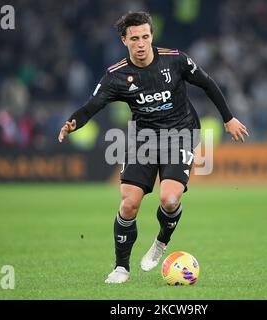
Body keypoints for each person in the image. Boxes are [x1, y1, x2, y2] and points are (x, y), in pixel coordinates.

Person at [58, 12, 248, 284]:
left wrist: (228, 119)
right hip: (143, 139)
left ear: (151, 36)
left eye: (145, 37)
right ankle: (121, 268)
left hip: (180, 134)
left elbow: (207, 83)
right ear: (124, 40)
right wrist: (72, 123)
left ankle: (161, 241)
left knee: (169, 200)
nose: (141, 43)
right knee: (129, 204)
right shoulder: (117, 75)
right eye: (134, 38)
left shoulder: (176, 60)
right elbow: (93, 105)